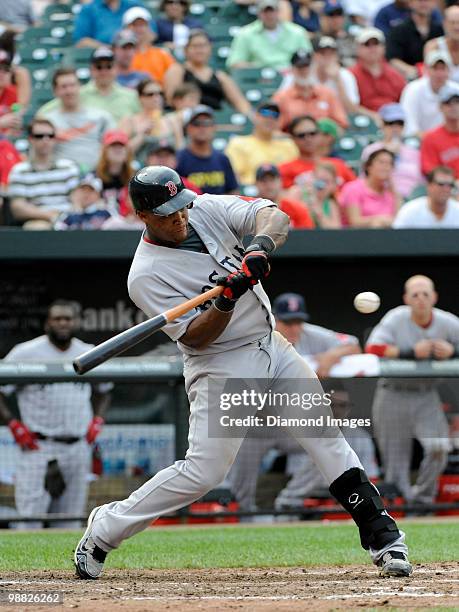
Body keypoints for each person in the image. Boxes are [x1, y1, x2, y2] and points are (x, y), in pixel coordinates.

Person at [74, 165, 412, 580]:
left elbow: (274, 215)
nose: (180, 217)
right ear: (143, 216)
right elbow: (197, 338)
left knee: (325, 436)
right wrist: (225, 299)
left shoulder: (205, 207)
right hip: (222, 363)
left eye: (181, 206)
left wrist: (258, 249)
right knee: (204, 472)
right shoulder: (145, 275)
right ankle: (106, 528)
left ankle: (385, 538)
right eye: (167, 213)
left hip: (272, 345)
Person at [0, 301, 112, 529]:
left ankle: (61, 566)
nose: (63, 323)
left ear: (76, 323)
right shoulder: (25, 352)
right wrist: (13, 425)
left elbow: (105, 391)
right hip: (37, 446)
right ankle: (25, 566)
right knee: (29, 519)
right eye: (57, 319)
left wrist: (98, 421)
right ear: (47, 323)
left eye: (68, 319)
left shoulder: (87, 350)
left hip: (77, 446)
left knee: (70, 520)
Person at [366, 275, 459, 504]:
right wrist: (409, 351)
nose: (420, 299)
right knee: (395, 463)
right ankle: (404, 507)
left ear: (434, 297)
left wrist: (453, 350)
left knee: (438, 448)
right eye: (415, 294)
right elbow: (373, 347)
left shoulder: (447, 322)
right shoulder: (396, 318)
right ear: (407, 298)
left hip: (425, 395)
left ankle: (422, 499)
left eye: (425, 294)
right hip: (392, 393)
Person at [37, 68, 115, 172]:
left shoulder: (101, 116)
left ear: (80, 87)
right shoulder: (48, 121)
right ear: (55, 91)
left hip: (97, 176)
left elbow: (112, 146)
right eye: (63, 87)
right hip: (60, 176)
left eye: (72, 85)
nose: (69, 91)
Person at [7, 118, 80, 228]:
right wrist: (50, 216)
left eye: (50, 136)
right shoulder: (19, 171)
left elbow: (77, 200)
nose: (45, 140)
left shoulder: (68, 167)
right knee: (37, 228)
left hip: (69, 219)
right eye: (39, 136)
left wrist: (67, 218)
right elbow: (18, 208)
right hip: (38, 220)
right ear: (30, 139)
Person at [164, 30, 252, 115]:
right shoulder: (177, 70)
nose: (199, 50)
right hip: (187, 118)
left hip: (215, 119)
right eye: (194, 46)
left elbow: (241, 103)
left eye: (203, 46)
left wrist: (249, 116)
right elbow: (171, 100)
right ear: (186, 50)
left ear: (210, 48)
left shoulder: (220, 76)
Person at [225, 102, 298, 186]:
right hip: (251, 194)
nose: (270, 118)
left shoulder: (288, 144)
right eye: (265, 113)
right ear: (255, 117)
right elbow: (234, 177)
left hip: (284, 192)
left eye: (275, 115)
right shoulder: (238, 143)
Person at [273, 50, 349, 130]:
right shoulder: (281, 97)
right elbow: (274, 128)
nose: (304, 71)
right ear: (292, 69)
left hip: (323, 139)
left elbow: (342, 124)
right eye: (300, 67)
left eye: (307, 66)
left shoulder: (327, 93)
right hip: (292, 139)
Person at [227, 0, 312, 71]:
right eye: (265, 11)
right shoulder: (245, 33)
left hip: (290, 78)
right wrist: (258, 70)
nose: (269, 15)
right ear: (258, 13)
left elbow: (309, 60)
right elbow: (234, 63)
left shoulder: (297, 32)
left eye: (272, 11)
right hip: (259, 79)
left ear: (278, 11)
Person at [362, 104, 423, 199]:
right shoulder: (371, 150)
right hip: (381, 198)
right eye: (390, 123)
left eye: (399, 124)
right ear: (382, 124)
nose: (395, 128)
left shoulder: (414, 153)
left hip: (411, 197)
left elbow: (420, 181)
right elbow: (365, 179)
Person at [279, 115, 356, 189]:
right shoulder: (285, 170)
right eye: (301, 135)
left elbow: (357, 190)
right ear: (293, 139)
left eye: (312, 133)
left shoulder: (339, 165)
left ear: (319, 135)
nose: (308, 138)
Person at [176, 105, 239, 194]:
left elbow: (233, 191)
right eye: (197, 123)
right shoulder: (178, 158)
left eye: (207, 123)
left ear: (214, 127)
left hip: (219, 207)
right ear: (188, 128)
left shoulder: (222, 159)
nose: (202, 128)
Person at [119, 78, 183, 160]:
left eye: (160, 93)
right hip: (139, 170)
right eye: (150, 94)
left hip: (166, 170)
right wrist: (141, 136)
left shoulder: (172, 120)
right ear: (140, 97)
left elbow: (180, 151)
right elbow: (122, 153)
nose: (156, 97)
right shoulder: (129, 121)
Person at [349, 28, 406, 120]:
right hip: (362, 123)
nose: (372, 48)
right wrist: (373, 116)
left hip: (394, 122)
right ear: (358, 49)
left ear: (383, 47)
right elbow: (350, 106)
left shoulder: (395, 75)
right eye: (367, 44)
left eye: (376, 44)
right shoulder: (350, 75)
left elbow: (404, 102)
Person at [338, 147, 401, 227]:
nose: (386, 167)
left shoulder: (390, 193)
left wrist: (394, 189)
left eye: (390, 164)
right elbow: (354, 221)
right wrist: (379, 220)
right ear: (369, 166)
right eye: (381, 162)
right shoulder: (353, 188)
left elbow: (399, 220)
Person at [386, 0, 443, 82]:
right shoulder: (399, 30)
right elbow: (393, 59)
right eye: (420, 0)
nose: (424, 3)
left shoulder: (440, 30)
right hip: (408, 79)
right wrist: (415, 71)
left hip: (437, 77)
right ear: (410, 3)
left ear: (434, 3)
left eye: (428, 0)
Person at [400, 50, 452, 138]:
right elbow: (409, 126)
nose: (439, 74)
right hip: (418, 142)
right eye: (435, 68)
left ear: (449, 71)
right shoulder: (413, 90)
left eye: (443, 68)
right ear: (426, 70)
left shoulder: (455, 90)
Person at [123, 6, 176, 86]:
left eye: (142, 25)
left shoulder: (161, 54)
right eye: (134, 25)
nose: (138, 29)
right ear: (125, 28)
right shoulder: (120, 56)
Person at [393, 165, 459, 227]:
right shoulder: (410, 211)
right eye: (440, 184)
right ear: (429, 186)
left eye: (450, 185)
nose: (446, 189)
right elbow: (397, 237)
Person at [255, 163, 315, 228]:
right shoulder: (249, 211)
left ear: (280, 181)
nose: (268, 185)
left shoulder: (297, 209)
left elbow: (308, 234)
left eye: (272, 180)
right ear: (256, 184)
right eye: (264, 181)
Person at [286, 162, 343, 228]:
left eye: (326, 181)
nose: (322, 185)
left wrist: (319, 214)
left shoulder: (330, 204)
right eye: (319, 180)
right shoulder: (297, 193)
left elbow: (336, 229)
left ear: (333, 185)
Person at [421, 83, 459, 177]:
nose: (453, 106)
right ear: (440, 107)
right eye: (448, 103)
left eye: (457, 102)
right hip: (448, 187)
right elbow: (430, 171)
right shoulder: (431, 138)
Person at [73, 0, 144, 48]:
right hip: (102, 62)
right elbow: (81, 43)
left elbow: (151, 35)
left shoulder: (134, 5)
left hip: (135, 56)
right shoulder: (89, 9)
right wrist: (111, 50)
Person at [95, 129, 135, 212]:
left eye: (121, 146)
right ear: (104, 151)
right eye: (113, 146)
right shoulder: (94, 177)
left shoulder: (136, 177)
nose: (118, 149)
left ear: (128, 151)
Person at [424, 6, 459, 85]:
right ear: (444, 24)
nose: (456, 27)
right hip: (441, 95)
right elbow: (429, 78)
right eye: (452, 22)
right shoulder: (433, 46)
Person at [319, 0, 357, 68]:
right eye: (331, 15)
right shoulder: (318, 40)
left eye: (339, 15)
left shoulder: (354, 38)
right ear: (323, 18)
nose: (336, 19)